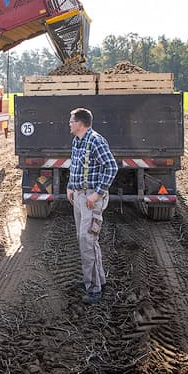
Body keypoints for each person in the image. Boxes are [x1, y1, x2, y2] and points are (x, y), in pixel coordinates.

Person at [66, 107, 118, 305]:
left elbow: (111, 167)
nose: (69, 124)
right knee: (87, 240)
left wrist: (97, 194)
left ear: (80, 124)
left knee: (87, 240)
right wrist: (70, 186)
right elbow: (76, 166)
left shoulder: (96, 140)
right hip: (79, 196)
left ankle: (94, 289)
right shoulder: (77, 141)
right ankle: (97, 280)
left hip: (91, 199)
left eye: (71, 121)